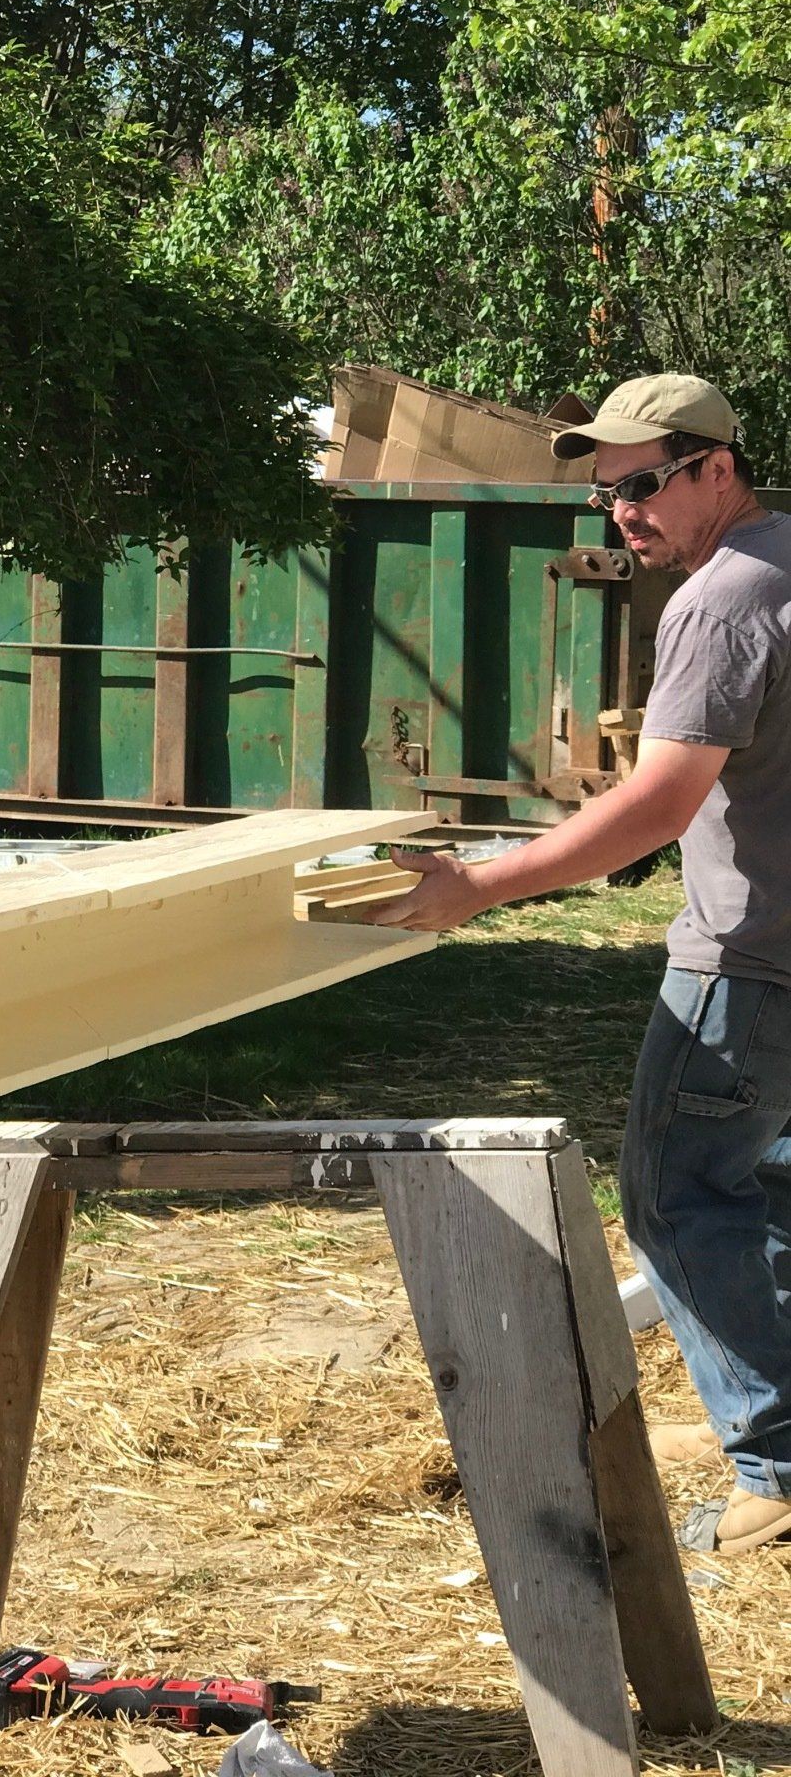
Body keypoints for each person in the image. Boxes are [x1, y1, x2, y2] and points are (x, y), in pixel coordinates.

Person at [370, 371, 791, 1557]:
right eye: (608, 494)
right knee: (768, 1195)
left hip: (748, 964)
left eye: (644, 484)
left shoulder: (724, 599)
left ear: (719, 467)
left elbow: (658, 804)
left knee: (675, 1197)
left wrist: (477, 886)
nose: (623, 513)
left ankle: (776, 1466)